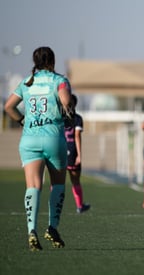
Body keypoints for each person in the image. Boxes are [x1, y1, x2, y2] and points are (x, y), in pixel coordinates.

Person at [4, 46, 73, 251]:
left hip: (30, 139)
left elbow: (9, 106)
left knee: (33, 186)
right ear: (52, 61)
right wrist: (67, 112)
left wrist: (23, 120)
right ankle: (52, 227)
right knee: (58, 184)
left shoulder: (26, 82)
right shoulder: (59, 80)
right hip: (53, 137)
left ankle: (31, 230)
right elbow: (66, 102)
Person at [64, 94, 90, 214]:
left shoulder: (59, 117)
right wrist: (79, 155)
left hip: (60, 151)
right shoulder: (77, 118)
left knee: (57, 181)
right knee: (75, 181)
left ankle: (54, 205)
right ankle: (79, 206)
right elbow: (77, 136)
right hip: (72, 151)